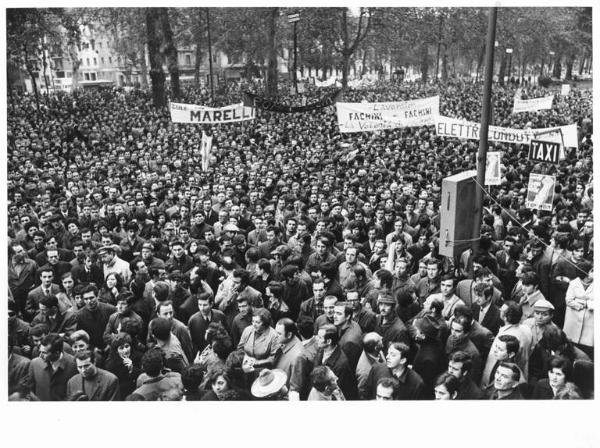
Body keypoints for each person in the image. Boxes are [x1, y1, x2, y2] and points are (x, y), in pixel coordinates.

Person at [27, 333, 78, 401]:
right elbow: (29, 390)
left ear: (57, 353)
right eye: (40, 351)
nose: (40, 355)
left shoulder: (75, 365)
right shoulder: (34, 363)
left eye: (44, 353)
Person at [313, 324, 358, 400]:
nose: (316, 339)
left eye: (320, 337)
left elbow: (335, 391)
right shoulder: (322, 349)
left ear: (328, 341)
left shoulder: (341, 365)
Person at [563, 262, 593, 358]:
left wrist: (586, 303)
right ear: (586, 274)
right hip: (573, 320)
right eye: (592, 271)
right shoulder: (573, 283)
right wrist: (582, 304)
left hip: (589, 321)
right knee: (571, 345)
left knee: (586, 347)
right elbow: (568, 300)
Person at [237, 308, 279, 373]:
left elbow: (274, 358)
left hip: (263, 371)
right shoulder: (247, 330)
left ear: (265, 323)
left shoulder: (274, 335)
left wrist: (257, 362)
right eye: (253, 321)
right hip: (247, 368)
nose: (254, 324)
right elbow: (240, 348)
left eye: (257, 322)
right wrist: (246, 359)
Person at [105, 332, 143, 398]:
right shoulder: (111, 364)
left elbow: (143, 375)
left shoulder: (139, 357)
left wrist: (132, 369)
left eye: (127, 346)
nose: (125, 351)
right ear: (117, 351)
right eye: (121, 348)